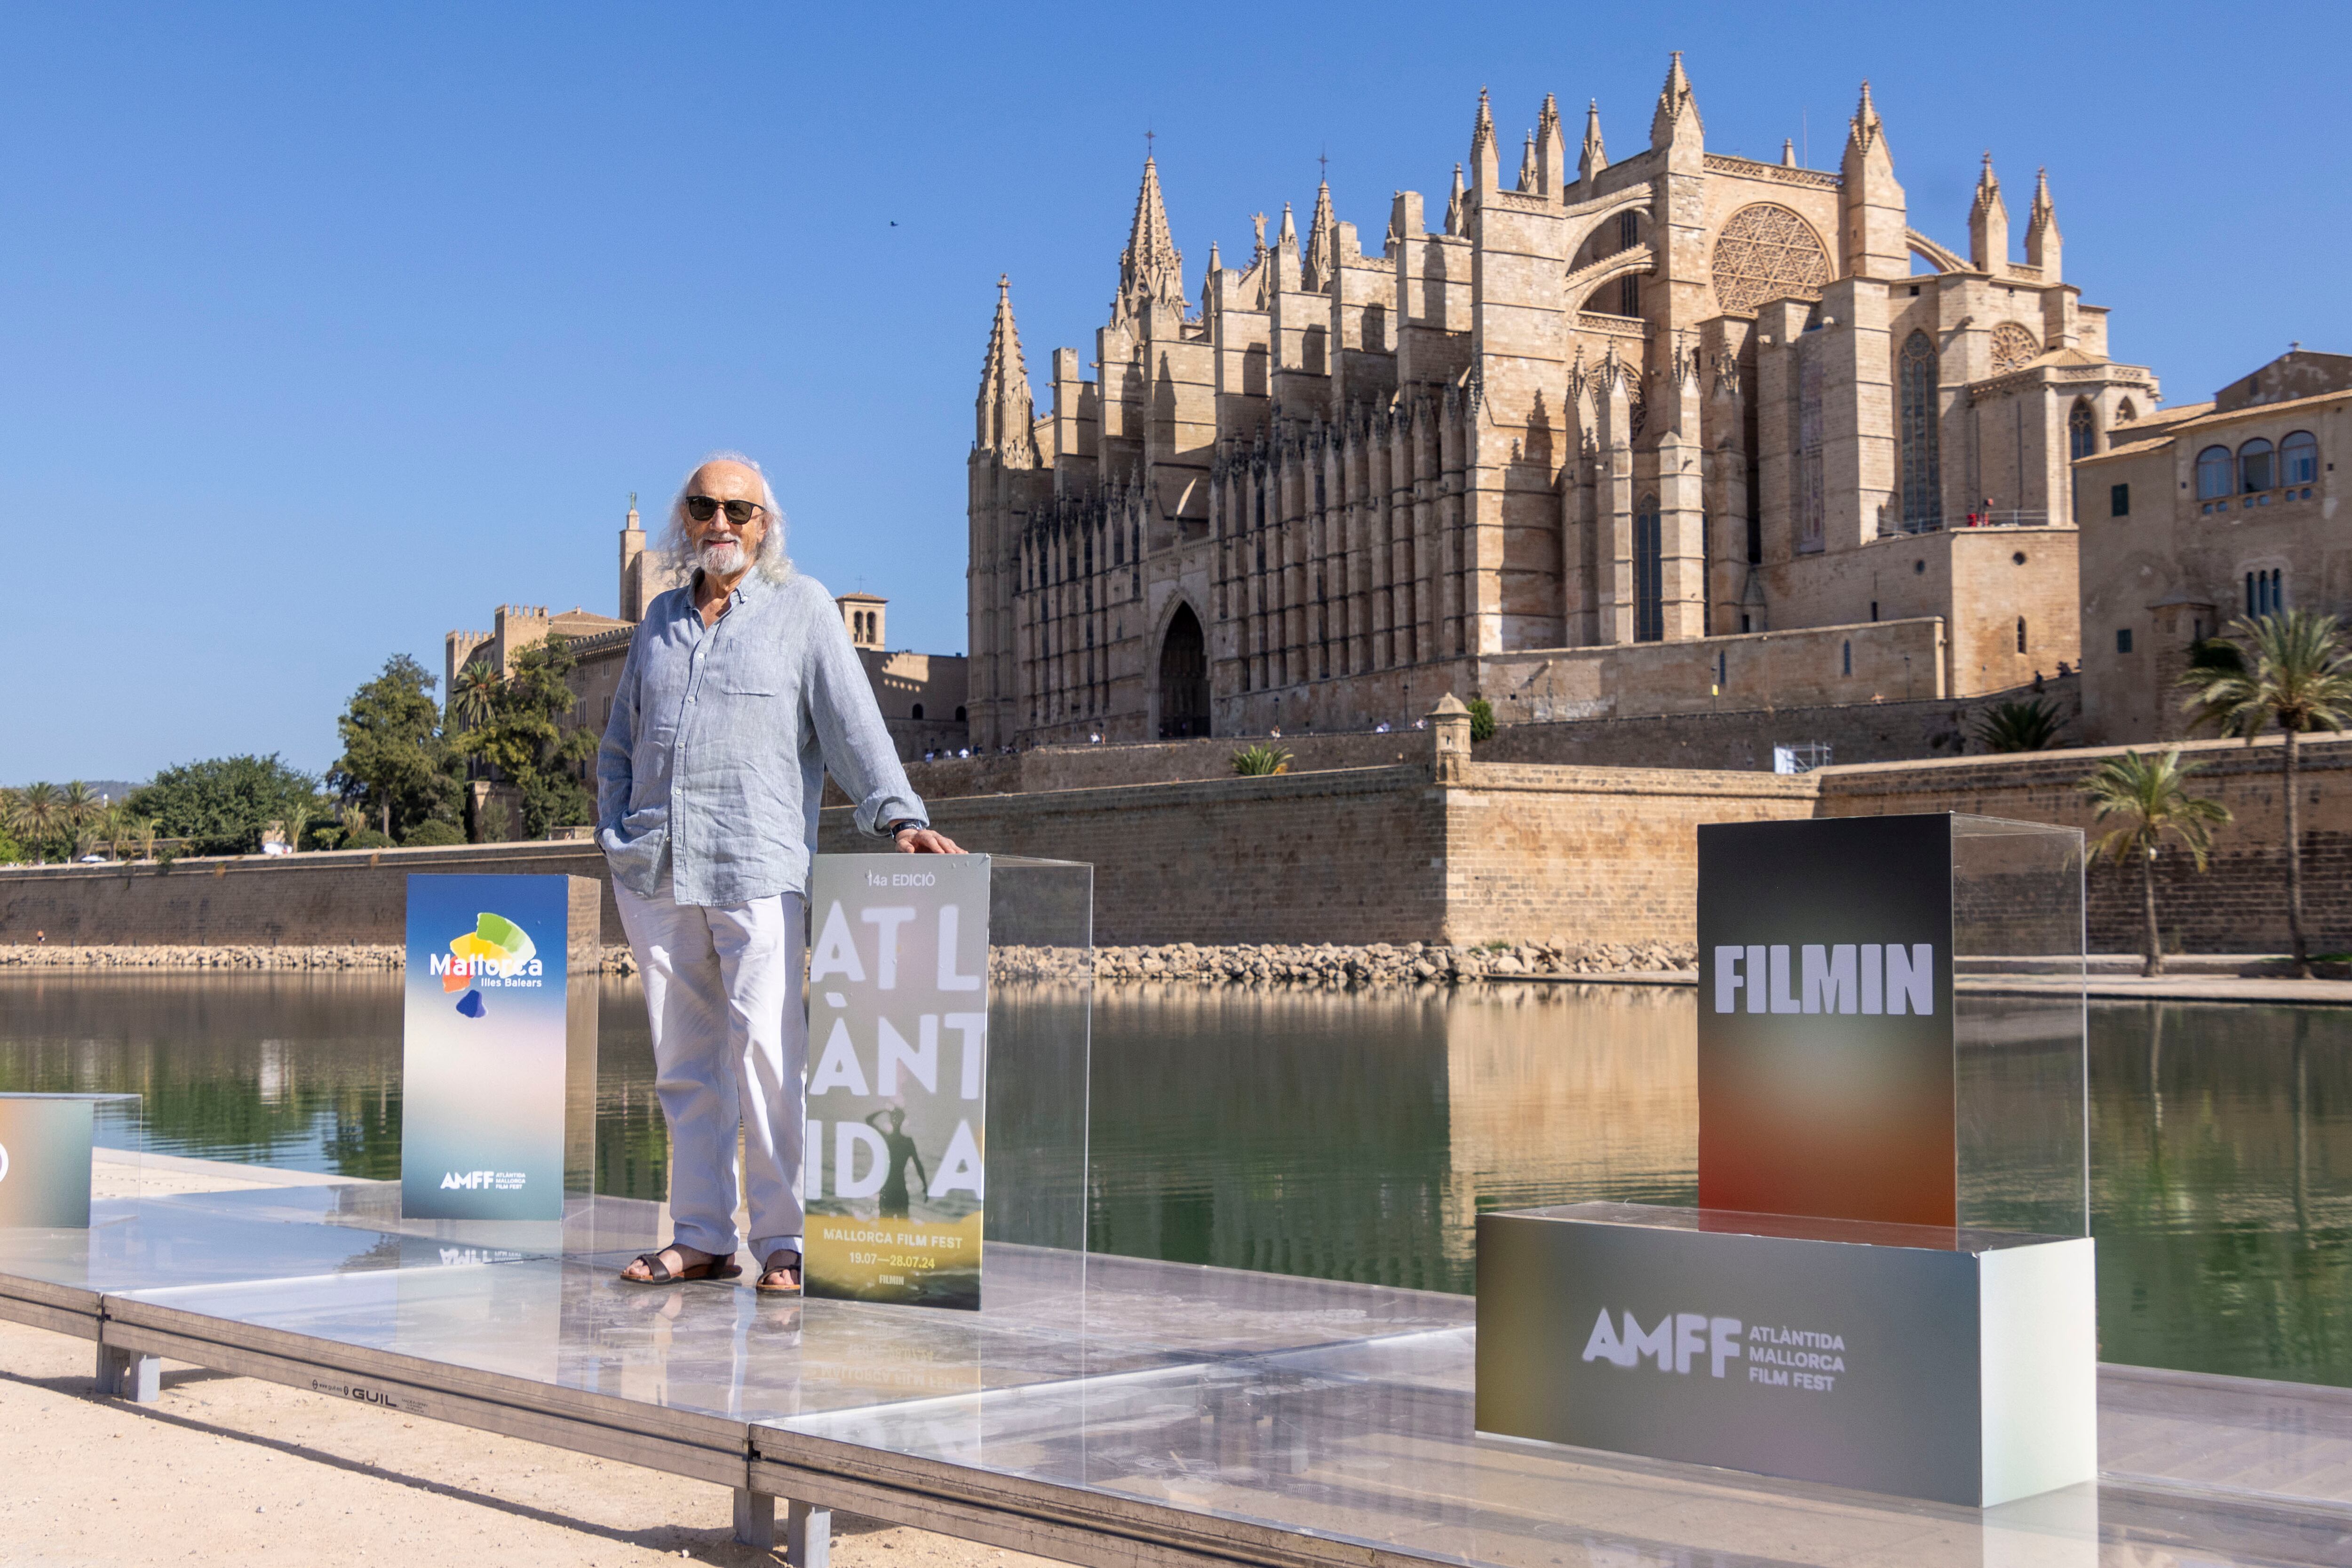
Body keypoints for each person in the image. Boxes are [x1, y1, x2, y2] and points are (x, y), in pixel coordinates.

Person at [597, 452, 963, 1296]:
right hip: (655, 868)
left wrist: (900, 814)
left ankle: (783, 1237)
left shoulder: (803, 610)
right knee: (686, 1064)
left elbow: (852, 723)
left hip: (756, 863)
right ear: (684, 520)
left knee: (767, 1054)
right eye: (703, 506)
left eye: (738, 509)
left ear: (766, 525)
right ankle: (700, 1236)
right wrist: (614, 828)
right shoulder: (657, 620)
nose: (720, 522)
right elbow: (620, 740)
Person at [864, 1106, 928, 1222]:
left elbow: (869, 1120)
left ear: (891, 1121)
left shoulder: (886, 1138)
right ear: (903, 1121)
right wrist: (925, 1186)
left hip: (888, 1189)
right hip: (900, 1189)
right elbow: (918, 1165)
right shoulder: (907, 1142)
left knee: (884, 1227)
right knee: (902, 1227)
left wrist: (884, 1111)